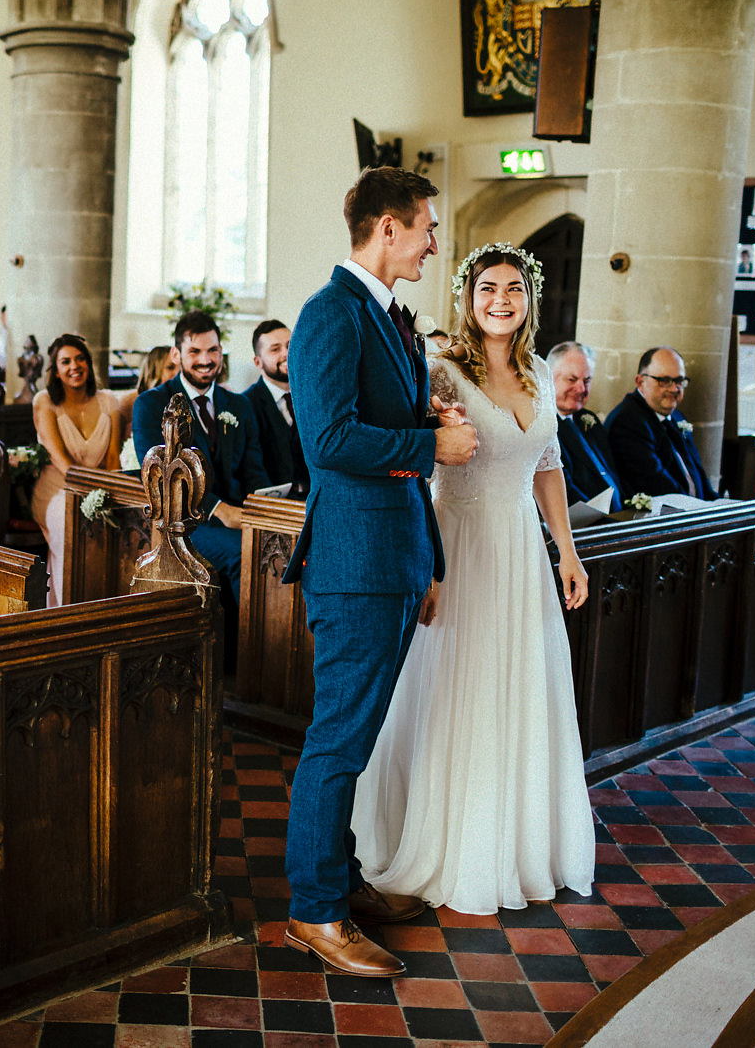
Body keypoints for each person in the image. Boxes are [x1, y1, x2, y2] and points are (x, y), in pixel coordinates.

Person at [351, 242, 595, 916]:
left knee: (519, 686)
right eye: (488, 288)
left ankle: (515, 841)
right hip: (455, 543)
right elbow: (414, 466)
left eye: (513, 289)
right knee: (457, 686)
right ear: (468, 295)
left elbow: (547, 466)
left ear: (528, 299)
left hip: (520, 549)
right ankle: (447, 840)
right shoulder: (442, 370)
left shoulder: (541, 372)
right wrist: (426, 563)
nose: (501, 300)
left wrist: (565, 551)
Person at [280, 166, 478, 977]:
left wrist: (426, 559)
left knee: (355, 742)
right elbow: (327, 443)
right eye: (427, 227)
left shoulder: (392, 317)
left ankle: (341, 879)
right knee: (336, 742)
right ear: (387, 228)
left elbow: (382, 430)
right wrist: (431, 444)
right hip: (353, 566)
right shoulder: (330, 313)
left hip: (393, 561)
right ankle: (315, 912)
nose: (435, 242)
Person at [131, 310, 270, 619]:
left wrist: (265, 506)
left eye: (213, 350)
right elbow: (159, 476)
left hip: (238, 515)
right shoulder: (152, 404)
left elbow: (253, 469)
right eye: (195, 351)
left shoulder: (239, 405)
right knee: (245, 551)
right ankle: (245, 651)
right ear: (176, 354)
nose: (206, 360)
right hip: (185, 523)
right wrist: (220, 509)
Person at [31, 334, 122, 607]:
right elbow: (60, 461)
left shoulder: (109, 402)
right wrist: (94, 491)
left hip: (100, 489)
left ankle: (101, 609)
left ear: (89, 363)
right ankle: (65, 612)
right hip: (57, 489)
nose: (75, 366)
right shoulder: (45, 401)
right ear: (56, 370)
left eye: (80, 358)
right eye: (66, 361)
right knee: (67, 525)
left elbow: (114, 459)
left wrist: (113, 493)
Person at [605, 346, 719, 498]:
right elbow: (656, 485)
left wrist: (716, 504)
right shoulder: (627, 422)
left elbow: (696, 472)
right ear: (640, 382)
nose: (674, 389)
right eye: (664, 381)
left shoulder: (677, 417)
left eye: (679, 380)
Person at [547, 342, 623, 509]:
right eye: (572, 380)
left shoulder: (588, 419)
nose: (581, 389)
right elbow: (562, 489)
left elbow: (611, 471)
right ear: (549, 377)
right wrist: (597, 515)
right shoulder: (543, 426)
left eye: (587, 380)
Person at [243, 318, 307, 494]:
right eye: (275, 349)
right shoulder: (246, 404)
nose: (286, 353)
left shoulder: (311, 395)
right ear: (258, 362)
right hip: (274, 505)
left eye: (289, 345)